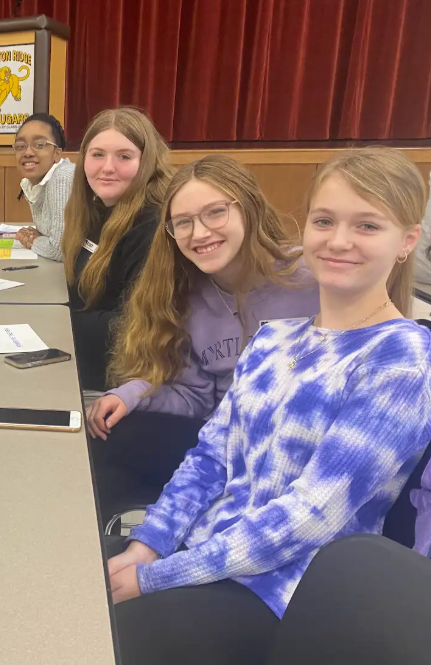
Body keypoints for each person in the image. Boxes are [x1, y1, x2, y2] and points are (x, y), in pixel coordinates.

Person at [108, 147, 431, 665]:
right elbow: (210, 458)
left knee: (103, 638)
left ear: (407, 241)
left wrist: (157, 576)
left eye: (367, 226)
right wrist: (147, 545)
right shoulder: (274, 338)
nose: (338, 240)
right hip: (207, 555)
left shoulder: (402, 357)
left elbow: (312, 514)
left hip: (285, 591)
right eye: (324, 221)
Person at [85, 155, 320, 518]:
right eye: (183, 222)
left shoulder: (312, 279)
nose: (199, 233)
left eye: (215, 213)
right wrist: (128, 395)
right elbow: (195, 395)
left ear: (249, 208)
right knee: (109, 437)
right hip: (222, 443)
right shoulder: (186, 293)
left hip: (296, 449)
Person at [62, 106, 171, 391]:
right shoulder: (99, 208)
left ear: (146, 161)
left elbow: (134, 325)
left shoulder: (151, 223)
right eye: (97, 154)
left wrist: (55, 323)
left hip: (124, 380)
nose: (108, 167)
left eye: (124, 156)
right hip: (88, 354)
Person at [12, 113, 73, 261]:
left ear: (57, 154)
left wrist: (33, 240)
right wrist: (41, 237)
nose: (27, 152)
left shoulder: (63, 177)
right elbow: (50, 235)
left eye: (39, 144)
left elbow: (60, 250)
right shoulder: (32, 183)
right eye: (20, 146)